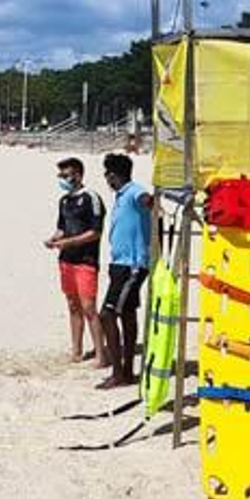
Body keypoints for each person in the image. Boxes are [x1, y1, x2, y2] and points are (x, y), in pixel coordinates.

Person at [96, 153, 152, 390]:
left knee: (107, 314)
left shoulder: (132, 191)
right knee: (127, 314)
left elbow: (145, 199)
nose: (106, 178)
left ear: (113, 175)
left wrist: (151, 202)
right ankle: (127, 371)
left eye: (107, 173)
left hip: (131, 265)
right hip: (119, 263)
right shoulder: (119, 197)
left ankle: (118, 372)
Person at [44, 157, 106, 365]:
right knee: (72, 305)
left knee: (89, 307)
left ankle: (101, 354)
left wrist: (69, 242)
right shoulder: (64, 200)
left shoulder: (91, 198)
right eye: (60, 175)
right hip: (66, 260)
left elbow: (95, 232)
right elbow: (62, 227)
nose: (62, 179)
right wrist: (54, 239)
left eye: (65, 175)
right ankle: (77, 351)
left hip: (86, 260)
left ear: (77, 174)